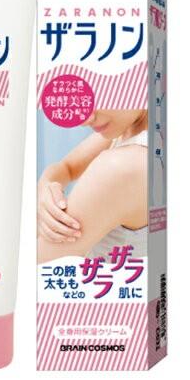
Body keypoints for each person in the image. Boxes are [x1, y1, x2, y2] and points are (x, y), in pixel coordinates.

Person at [37, 109, 148, 264]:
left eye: (99, 99)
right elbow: (67, 168)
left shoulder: (121, 166)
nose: (84, 120)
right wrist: (46, 185)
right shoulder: (128, 129)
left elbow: (41, 266)